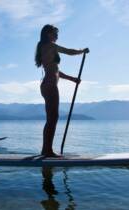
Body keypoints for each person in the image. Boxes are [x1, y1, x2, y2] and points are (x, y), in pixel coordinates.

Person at [35, 24, 89, 157]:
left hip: (46, 85)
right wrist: (82, 51)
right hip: (50, 85)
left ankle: (45, 150)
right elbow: (69, 51)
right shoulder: (51, 46)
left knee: (51, 118)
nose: (57, 35)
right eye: (55, 33)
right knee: (53, 118)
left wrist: (72, 79)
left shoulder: (45, 47)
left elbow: (56, 71)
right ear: (49, 34)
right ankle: (47, 150)